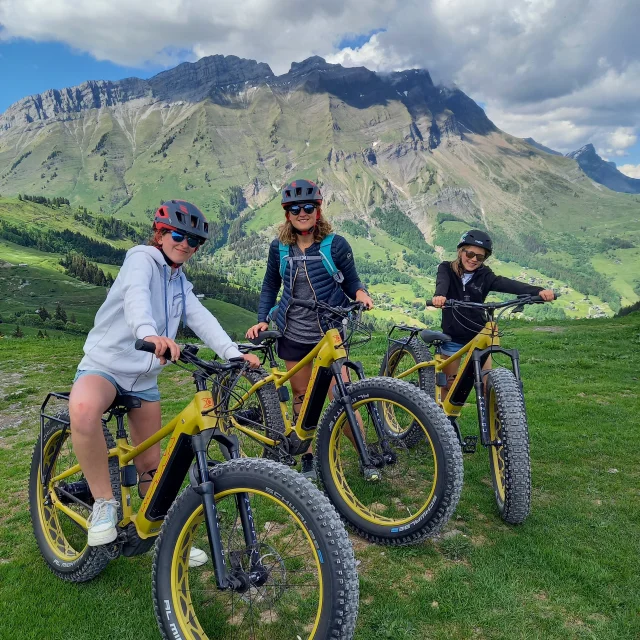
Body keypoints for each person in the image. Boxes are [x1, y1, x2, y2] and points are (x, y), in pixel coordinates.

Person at [69, 199, 260, 566]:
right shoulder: (141, 259)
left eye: (194, 241)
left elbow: (200, 317)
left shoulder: (179, 280)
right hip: (105, 366)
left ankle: (170, 538)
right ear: (160, 234)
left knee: (152, 469)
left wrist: (232, 354)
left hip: (143, 380)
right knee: (82, 409)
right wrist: (149, 333)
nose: (186, 244)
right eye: (178, 234)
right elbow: (135, 297)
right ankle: (105, 505)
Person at [246, 179, 373, 478]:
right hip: (293, 333)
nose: (302, 213)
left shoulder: (336, 245)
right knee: (302, 396)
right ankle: (309, 457)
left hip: (329, 332)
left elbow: (352, 279)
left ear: (318, 210)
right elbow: (270, 284)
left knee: (341, 395)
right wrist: (263, 316)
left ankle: (365, 454)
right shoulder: (279, 247)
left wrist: (361, 293)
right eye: (294, 208)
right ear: (287, 213)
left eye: (308, 207)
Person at [431, 229, 555, 396]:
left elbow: (507, 284)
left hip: (478, 336)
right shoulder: (446, 268)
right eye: (470, 254)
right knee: (448, 386)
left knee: (485, 384)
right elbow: (442, 283)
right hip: (454, 337)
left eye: (480, 257)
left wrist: (538, 291)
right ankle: (444, 420)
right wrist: (440, 296)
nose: (473, 259)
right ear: (461, 252)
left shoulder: (485, 275)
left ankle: (496, 420)